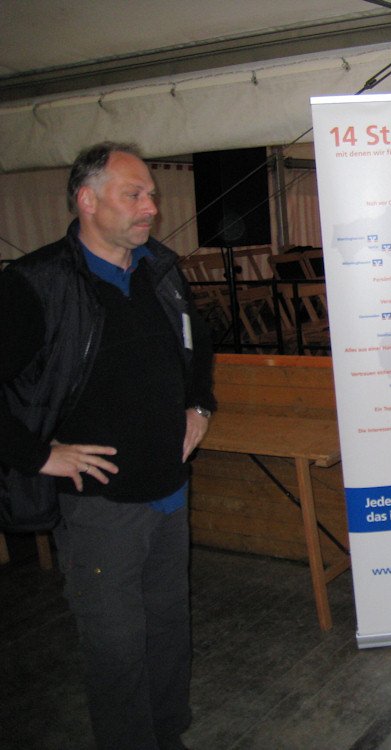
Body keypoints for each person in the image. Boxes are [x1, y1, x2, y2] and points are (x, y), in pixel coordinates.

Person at [0, 142, 216, 749]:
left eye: (151, 194)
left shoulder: (159, 270)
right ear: (87, 200)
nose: (151, 207)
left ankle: (167, 735)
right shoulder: (36, 284)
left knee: (168, 627)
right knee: (117, 645)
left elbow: (198, 342)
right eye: (134, 194)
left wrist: (200, 405)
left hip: (169, 490)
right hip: (100, 506)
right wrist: (41, 455)